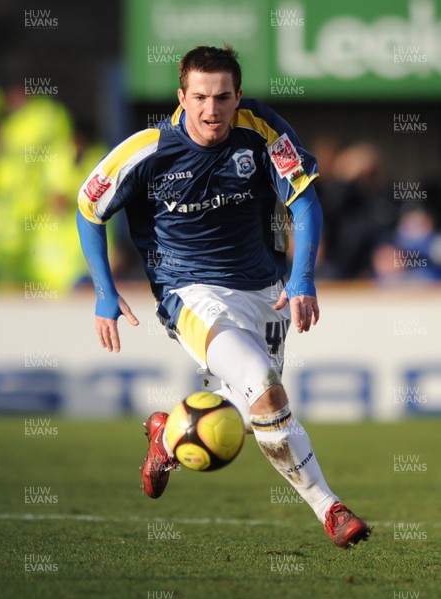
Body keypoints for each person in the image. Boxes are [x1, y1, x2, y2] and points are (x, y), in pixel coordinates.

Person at [77, 45, 371, 548]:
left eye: (223, 97)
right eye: (200, 97)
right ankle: (332, 510)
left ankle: (167, 434)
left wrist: (301, 279)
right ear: (181, 97)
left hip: (264, 290)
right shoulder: (147, 149)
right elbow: (89, 209)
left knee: (261, 420)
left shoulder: (262, 132)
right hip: (188, 292)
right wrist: (105, 293)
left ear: (238, 96)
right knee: (265, 387)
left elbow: (304, 202)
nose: (211, 110)